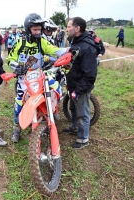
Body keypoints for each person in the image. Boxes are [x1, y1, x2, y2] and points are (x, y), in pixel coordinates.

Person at [7, 13, 68, 143]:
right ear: (28, 29)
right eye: (35, 29)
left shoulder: (41, 41)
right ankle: (16, 128)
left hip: (39, 76)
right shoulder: (20, 42)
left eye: (39, 29)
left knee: (57, 88)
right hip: (24, 78)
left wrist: (70, 50)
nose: (38, 32)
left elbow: (54, 50)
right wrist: (17, 67)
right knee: (19, 103)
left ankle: (53, 110)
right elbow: (10, 59)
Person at [63, 17, 99, 149]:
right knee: (73, 108)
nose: (66, 29)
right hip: (73, 84)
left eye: (68, 26)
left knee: (83, 112)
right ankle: (74, 126)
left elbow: (90, 75)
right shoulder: (76, 42)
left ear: (77, 28)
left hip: (81, 87)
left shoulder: (87, 47)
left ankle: (83, 138)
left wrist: (78, 90)